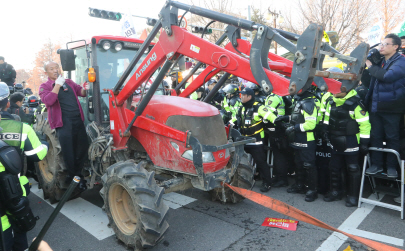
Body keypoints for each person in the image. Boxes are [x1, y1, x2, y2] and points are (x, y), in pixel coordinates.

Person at [0, 82, 48, 251]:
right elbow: (38, 155)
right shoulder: (22, 128)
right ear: (7, 103)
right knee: (17, 235)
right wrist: (43, 142)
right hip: (12, 194)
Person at [39, 62, 88, 190]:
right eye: (51, 69)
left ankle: (76, 175)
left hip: (77, 120)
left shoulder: (69, 82)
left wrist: (86, 88)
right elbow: (48, 101)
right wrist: (57, 85)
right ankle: (74, 177)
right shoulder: (45, 86)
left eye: (57, 67)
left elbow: (81, 92)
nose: (55, 70)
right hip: (63, 123)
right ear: (46, 72)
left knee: (82, 148)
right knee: (69, 152)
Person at [365, 34, 405, 178]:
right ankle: (376, 165)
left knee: (392, 138)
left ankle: (391, 168)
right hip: (376, 107)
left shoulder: (401, 61)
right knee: (376, 137)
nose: (381, 46)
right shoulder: (381, 62)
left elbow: (387, 77)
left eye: (386, 44)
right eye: (381, 43)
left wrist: (370, 65)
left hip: (392, 108)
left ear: (395, 47)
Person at [322, 87, 371, 207]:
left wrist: (364, 142)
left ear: (346, 90)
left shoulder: (355, 104)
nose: (334, 91)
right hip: (334, 140)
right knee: (334, 167)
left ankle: (353, 196)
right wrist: (324, 130)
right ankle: (335, 192)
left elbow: (364, 123)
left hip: (351, 140)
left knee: (353, 168)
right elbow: (327, 117)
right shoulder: (331, 102)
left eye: (338, 89)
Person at [275, 88, 320, 202]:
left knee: (309, 165)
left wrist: (294, 128)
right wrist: (286, 118)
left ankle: (312, 190)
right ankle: (299, 185)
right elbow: (298, 117)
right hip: (297, 138)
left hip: (307, 139)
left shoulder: (309, 103)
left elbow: (310, 124)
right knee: (298, 164)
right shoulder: (300, 102)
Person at [237, 88, 272, 192]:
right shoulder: (241, 108)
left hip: (256, 141)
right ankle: (244, 179)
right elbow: (236, 120)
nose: (241, 97)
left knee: (261, 162)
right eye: (241, 95)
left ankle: (267, 183)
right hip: (244, 140)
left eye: (243, 95)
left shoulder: (259, 107)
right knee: (241, 162)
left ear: (249, 97)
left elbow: (272, 117)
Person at [258, 92, 289, 187]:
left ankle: (282, 179)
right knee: (279, 155)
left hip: (277, 128)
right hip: (279, 128)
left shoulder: (274, 97)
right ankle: (280, 177)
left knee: (279, 156)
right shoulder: (281, 96)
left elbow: (268, 112)